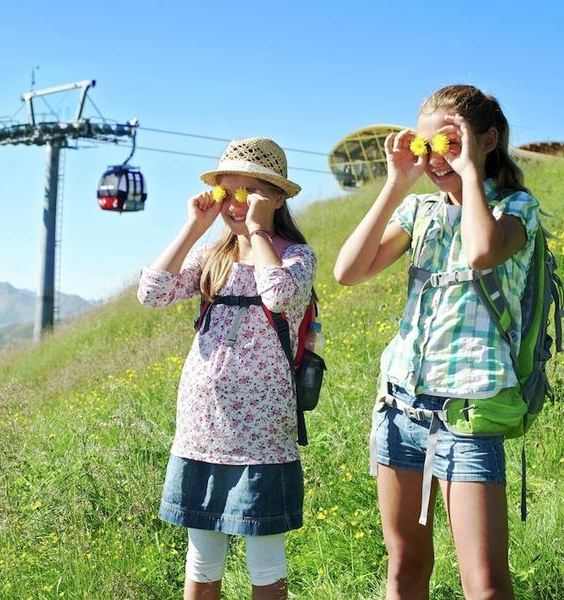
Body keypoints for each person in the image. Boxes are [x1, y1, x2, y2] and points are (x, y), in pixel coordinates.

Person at [333, 85, 540, 600]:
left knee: (486, 585)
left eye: (449, 144)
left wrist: (469, 173)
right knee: (405, 568)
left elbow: (481, 252)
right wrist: (395, 184)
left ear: (487, 140)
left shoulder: (516, 209)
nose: (435, 159)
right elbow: (347, 272)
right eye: (426, 148)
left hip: (468, 412)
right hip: (400, 406)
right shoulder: (419, 211)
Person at [137, 137, 316, 599]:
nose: (236, 205)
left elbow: (279, 295)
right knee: (202, 558)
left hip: (262, 435)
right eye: (227, 193)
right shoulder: (211, 256)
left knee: (265, 564)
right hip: (202, 429)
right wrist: (194, 227)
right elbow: (152, 293)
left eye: (249, 193)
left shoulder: (295, 255)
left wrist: (258, 234)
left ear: (277, 198)